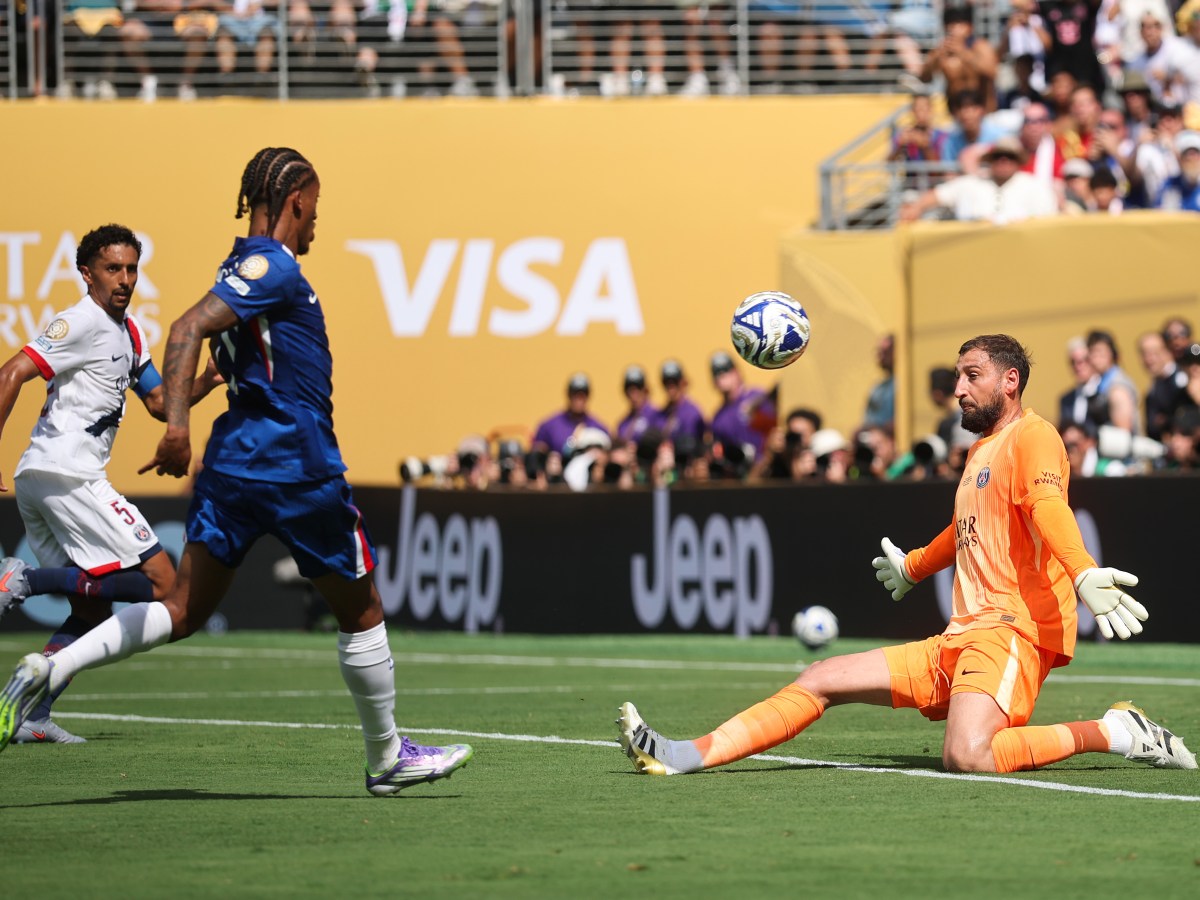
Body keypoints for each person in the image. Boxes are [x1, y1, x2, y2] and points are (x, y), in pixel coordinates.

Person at [0, 148, 473, 795]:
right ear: (297, 201)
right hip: (293, 457)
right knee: (361, 608)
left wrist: (192, 405)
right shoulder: (270, 263)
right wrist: (175, 430)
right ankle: (388, 758)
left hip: (233, 461)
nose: (315, 226)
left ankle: (50, 671)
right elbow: (188, 325)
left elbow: (186, 351)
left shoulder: (232, 266)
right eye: (315, 210)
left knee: (181, 603)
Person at [617, 333, 1196, 779]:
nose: (959, 389)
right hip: (961, 635)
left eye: (973, 377)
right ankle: (685, 755)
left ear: (1011, 381)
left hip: (1011, 631)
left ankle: (1114, 731)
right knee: (819, 677)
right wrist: (915, 566)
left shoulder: (1033, 436)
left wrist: (1085, 572)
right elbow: (966, 530)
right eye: (957, 379)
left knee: (968, 756)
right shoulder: (982, 451)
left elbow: (1049, 506)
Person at [0, 224, 222, 743]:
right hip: (68, 473)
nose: (124, 280)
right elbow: (10, 373)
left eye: (131, 269)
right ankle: (25, 581)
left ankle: (33, 715)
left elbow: (160, 403)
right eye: (112, 269)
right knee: (167, 586)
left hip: (44, 476)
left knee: (94, 610)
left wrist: (208, 381)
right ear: (87, 275)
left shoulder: (129, 333)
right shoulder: (79, 322)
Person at [902, 136, 1060, 223]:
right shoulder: (971, 183)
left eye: (1010, 157)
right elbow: (939, 195)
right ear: (990, 160)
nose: (1003, 161)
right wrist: (916, 207)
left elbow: (1048, 222)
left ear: (1018, 161)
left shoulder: (1035, 187)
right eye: (998, 156)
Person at [709, 350, 774, 462]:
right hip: (738, 475)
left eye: (726, 370)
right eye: (716, 373)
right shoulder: (718, 417)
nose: (721, 376)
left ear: (737, 372)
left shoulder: (757, 398)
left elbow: (773, 431)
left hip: (766, 468)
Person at [532, 372, 610, 456]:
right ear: (568, 395)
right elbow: (537, 455)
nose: (579, 399)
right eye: (575, 395)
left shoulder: (599, 428)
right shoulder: (549, 427)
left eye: (583, 395)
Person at [615, 364, 663, 445]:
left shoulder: (657, 416)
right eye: (630, 390)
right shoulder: (623, 423)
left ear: (645, 390)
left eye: (638, 389)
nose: (634, 394)